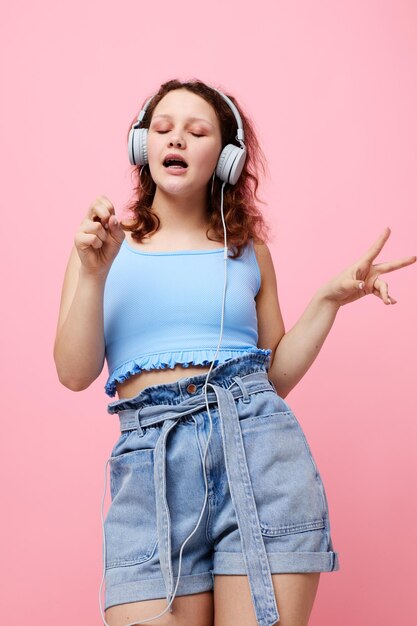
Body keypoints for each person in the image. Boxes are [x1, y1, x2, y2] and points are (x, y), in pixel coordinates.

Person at [53, 78, 416, 626]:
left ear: (225, 158)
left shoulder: (248, 251)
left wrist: (328, 299)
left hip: (259, 455)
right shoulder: (99, 247)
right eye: (162, 128)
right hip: (149, 468)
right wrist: (94, 273)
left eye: (196, 131)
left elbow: (276, 376)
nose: (175, 139)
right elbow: (73, 373)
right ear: (140, 146)